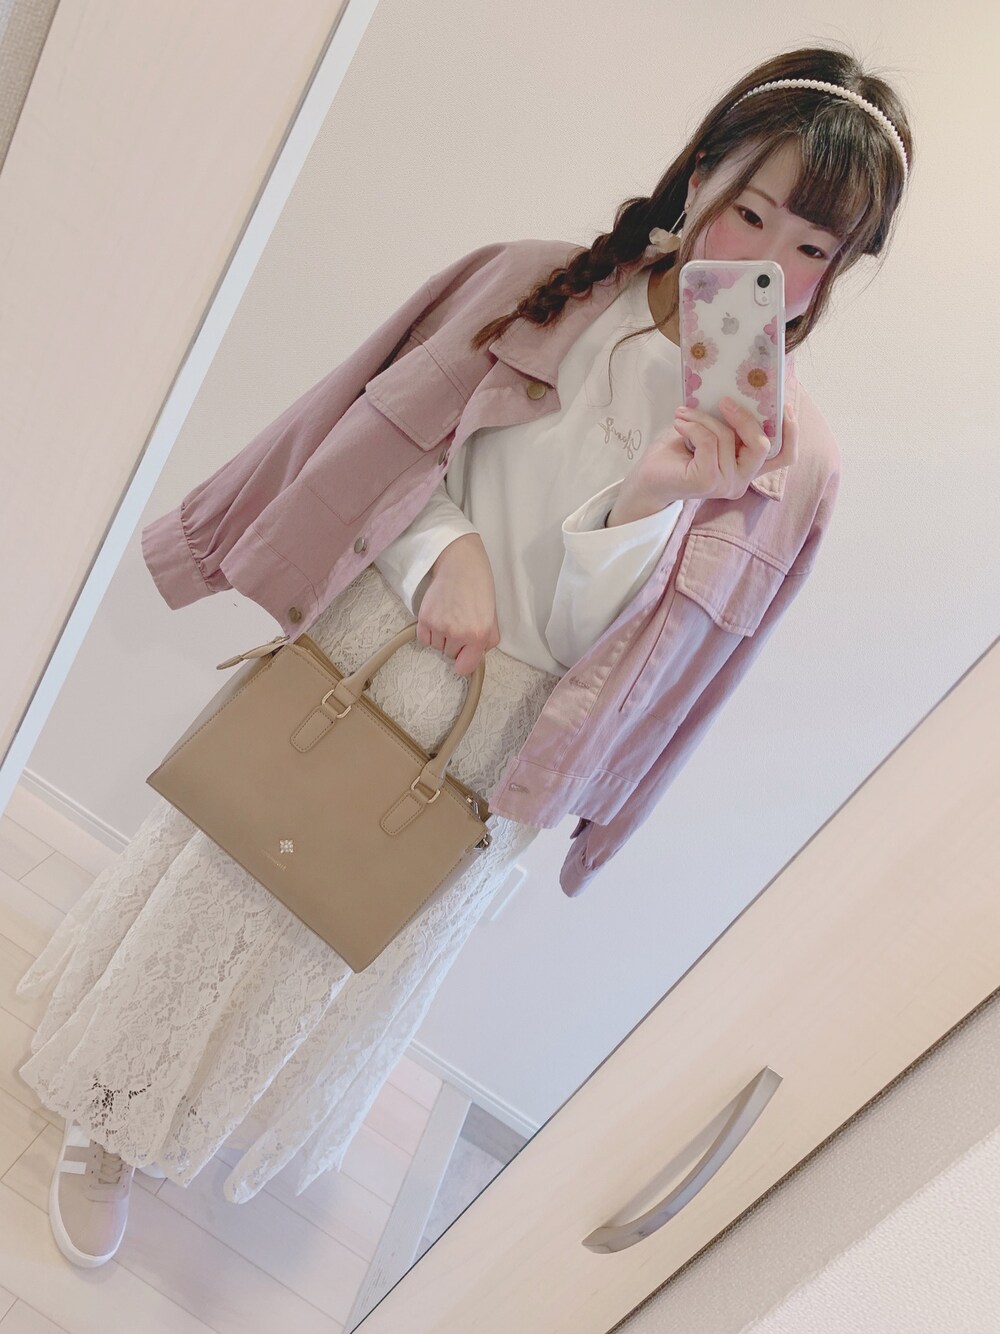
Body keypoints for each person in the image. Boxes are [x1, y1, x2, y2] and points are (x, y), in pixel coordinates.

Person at [15, 43, 913, 1269]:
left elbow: (653, 677)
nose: (766, 260)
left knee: (338, 956)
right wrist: (447, 551)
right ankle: (109, 1113)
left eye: (810, 247)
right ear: (700, 172)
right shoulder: (540, 283)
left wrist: (649, 499)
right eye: (749, 210)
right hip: (380, 647)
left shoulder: (790, 463)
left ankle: (196, 1119)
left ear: (841, 269)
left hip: (511, 750)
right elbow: (379, 446)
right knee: (231, 880)